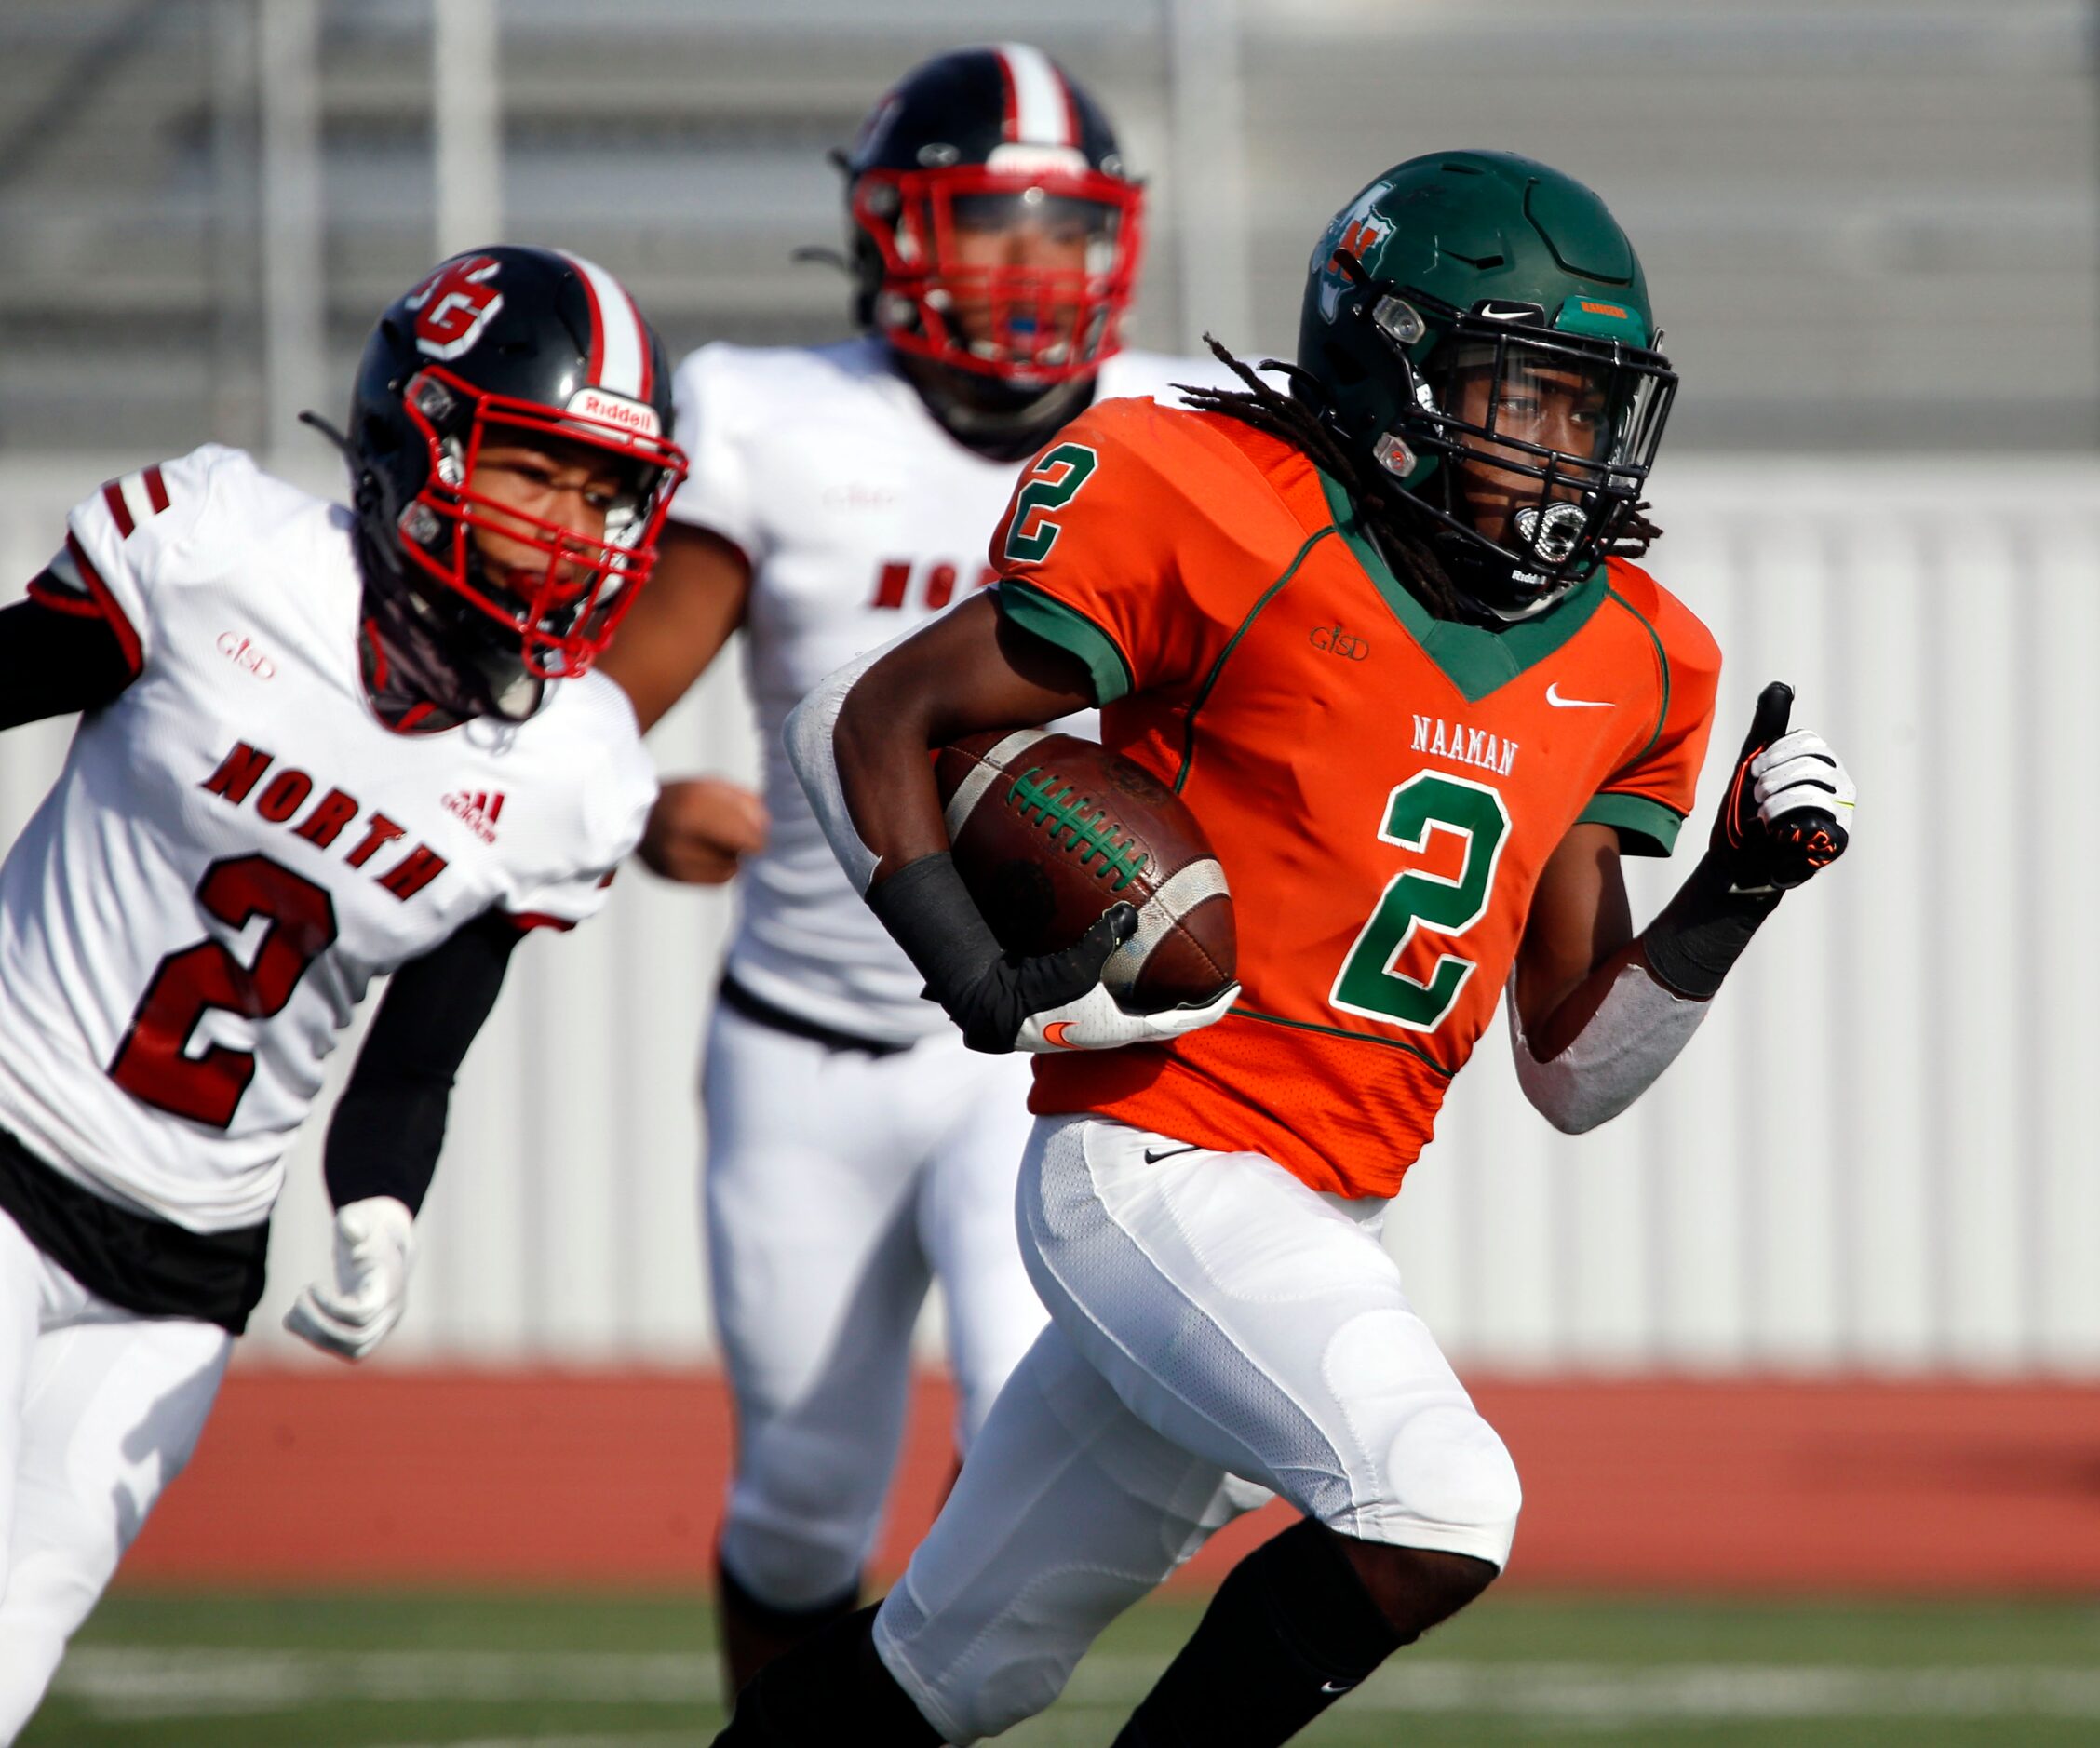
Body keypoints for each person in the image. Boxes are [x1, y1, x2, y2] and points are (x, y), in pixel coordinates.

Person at [723, 150, 1859, 1745]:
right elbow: (870, 708)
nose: (1561, 451)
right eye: (1522, 394)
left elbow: (1574, 1070)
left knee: (951, 1666)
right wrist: (961, 966)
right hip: (1158, 1158)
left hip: (1324, 1208)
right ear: (1394, 363)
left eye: (1589, 410)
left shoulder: (1637, 653)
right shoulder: (1223, 505)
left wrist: (1733, 886)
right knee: (1441, 1498)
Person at [597, 44, 1224, 1694]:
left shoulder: (1178, 427)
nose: (1034, 270)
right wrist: (640, 803)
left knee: (1026, 1448)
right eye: (991, 224)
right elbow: (599, 720)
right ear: (892, 232)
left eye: (1063, 230)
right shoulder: (768, 415)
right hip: (806, 1036)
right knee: (802, 1509)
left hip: (1039, 1047)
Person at [0, 246, 685, 1737]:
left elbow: (415, 1058)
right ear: (423, 437)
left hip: (181, 1274)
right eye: (541, 475)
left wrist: (381, 1204)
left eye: (605, 496)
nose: (576, 530)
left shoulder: (572, 767)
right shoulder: (220, 559)